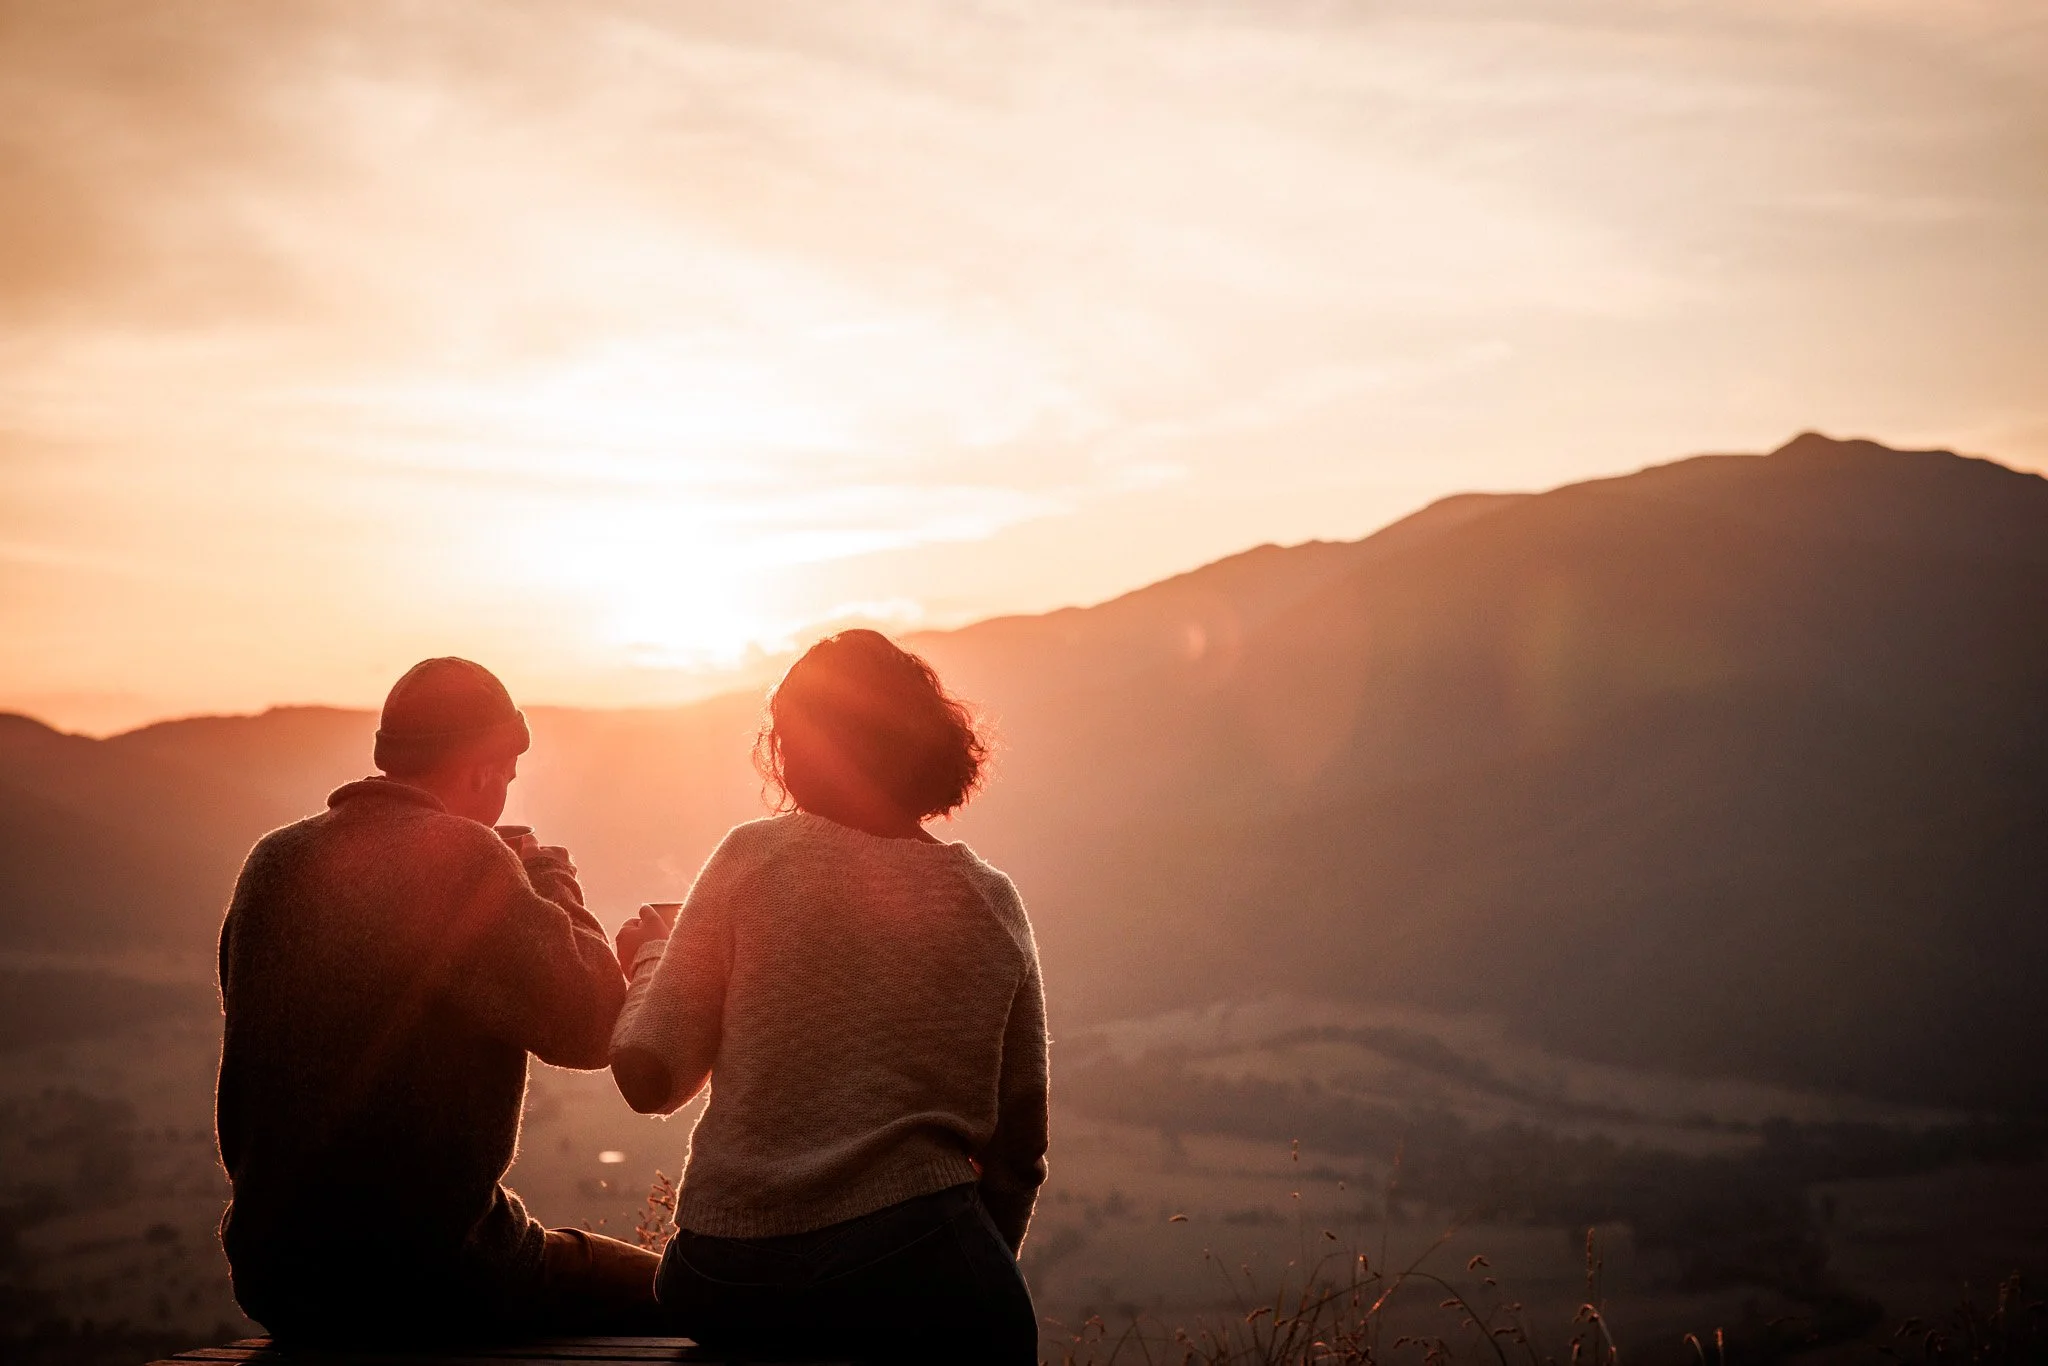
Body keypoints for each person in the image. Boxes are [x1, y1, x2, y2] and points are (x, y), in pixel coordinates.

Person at [609, 629, 1048, 1364]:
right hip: (915, 1257)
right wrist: (969, 1268)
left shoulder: (749, 859)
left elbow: (649, 1075)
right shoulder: (990, 904)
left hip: (722, 1275)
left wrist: (656, 953)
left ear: (794, 749)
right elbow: (1019, 1148)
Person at [215, 657, 660, 1341]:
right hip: (431, 1274)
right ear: (483, 768)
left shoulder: (272, 861)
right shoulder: (459, 859)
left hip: (276, 1274)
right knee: (679, 1294)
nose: (505, 793)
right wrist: (546, 874)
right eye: (507, 776)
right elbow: (594, 1024)